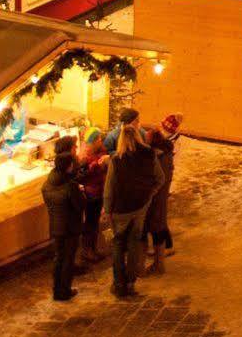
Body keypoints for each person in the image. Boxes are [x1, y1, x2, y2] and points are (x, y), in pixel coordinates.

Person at [103, 122, 165, 298]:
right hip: (140, 207)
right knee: (134, 243)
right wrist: (149, 195)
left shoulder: (116, 160)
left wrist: (107, 209)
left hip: (120, 209)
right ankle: (130, 282)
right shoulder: (149, 155)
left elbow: (109, 188)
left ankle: (118, 284)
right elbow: (160, 179)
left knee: (118, 244)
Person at [144, 113, 182, 272]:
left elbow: (160, 174)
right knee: (160, 219)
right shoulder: (166, 148)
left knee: (158, 221)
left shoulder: (162, 153)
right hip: (162, 189)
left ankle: (166, 248)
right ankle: (164, 249)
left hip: (159, 192)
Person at [42, 146, 81, 302]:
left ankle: (56, 290)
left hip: (55, 226)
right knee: (68, 259)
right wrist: (81, 191)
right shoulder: (70, 185)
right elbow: (80, 204)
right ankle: (64, 290)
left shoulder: (47, 184)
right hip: (70, 227)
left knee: (58, 258)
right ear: (68, 166)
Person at [76, 129, 109, 266]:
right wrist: (96, 166)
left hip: (99, 191)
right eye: (98, 139)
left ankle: (93, 249)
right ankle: (87, 250)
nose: (100, 141)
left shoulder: (101, 151)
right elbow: (82, 177)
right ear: (93, 142)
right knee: (90, 223)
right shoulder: (84, 158)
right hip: (91, 194)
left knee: (94, 223)